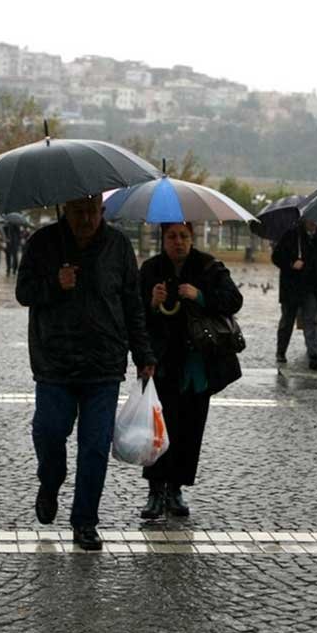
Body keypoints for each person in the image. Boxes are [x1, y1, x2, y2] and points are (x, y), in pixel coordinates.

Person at [16, 194, 156, 551]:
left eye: (92, 211)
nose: (86, 219)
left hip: (103, 363)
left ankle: (85, 521)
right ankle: (51, 481)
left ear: (102, 211)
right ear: (65, 210)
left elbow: (132, 304)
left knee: (95, 446)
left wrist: (143, 354)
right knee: (49, 432)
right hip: (54, 361)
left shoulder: (118, 246)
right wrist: (54, 283)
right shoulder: (43, 243)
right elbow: (24, 292)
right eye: (79, 212)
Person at [139, 222, 243, 520]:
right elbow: (133, 312)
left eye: (183, 236)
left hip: (197, 365)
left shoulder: (209, 266)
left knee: (190, 428)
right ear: (163, 239)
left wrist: (200, 296)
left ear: (192, 238)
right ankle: (155, 490)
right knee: (158, 428)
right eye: (172, 236)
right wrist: (152, 302)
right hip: (161, 362)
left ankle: (176, 488)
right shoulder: (151, 269)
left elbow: (234, 300)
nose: (178, 242)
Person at [272, 219, 317, 369]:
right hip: (292, 287)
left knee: (311, 320)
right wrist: (291, 264)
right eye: (310, 220)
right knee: (287, 321)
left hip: (312, 287)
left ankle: (313, 355)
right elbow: (276, 257)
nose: (313, 223)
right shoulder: (292, 235)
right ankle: (281, 351)